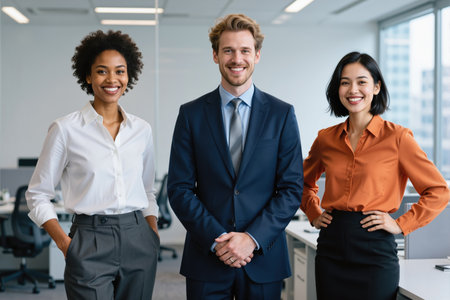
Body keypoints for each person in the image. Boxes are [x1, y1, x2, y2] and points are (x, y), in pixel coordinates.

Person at [167, 13, 303, 299]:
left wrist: (251, 240)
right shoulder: (191, 115)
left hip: (262, 258)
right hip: (207, 258)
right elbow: (179, 189)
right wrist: (219, 242)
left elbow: (291, 190)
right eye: (228, 50)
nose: (236, 58)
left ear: (257, 55)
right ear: (215, 55)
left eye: (244, 50)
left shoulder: (282, 114)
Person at [301, 51, 450, 300]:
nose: (353, 90)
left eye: (362, 82)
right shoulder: (326, 139)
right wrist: (314, 213)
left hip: (375, 249)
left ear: (377, 87)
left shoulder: (398, 137)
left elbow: (438, 190)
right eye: (345, 82)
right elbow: (302, 182)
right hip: (331, 248)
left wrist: (401, 224)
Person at [26, 30, 159, 300]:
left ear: (128, 76)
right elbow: (38, 195)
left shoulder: (141, 130)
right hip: (90, 239)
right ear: (88, 76)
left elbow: (147, 191)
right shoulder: (65, 129)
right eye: (101, 71)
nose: (112, 79)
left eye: (119, 71)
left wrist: (152, 234)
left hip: (138, 238)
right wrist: (65, 244)